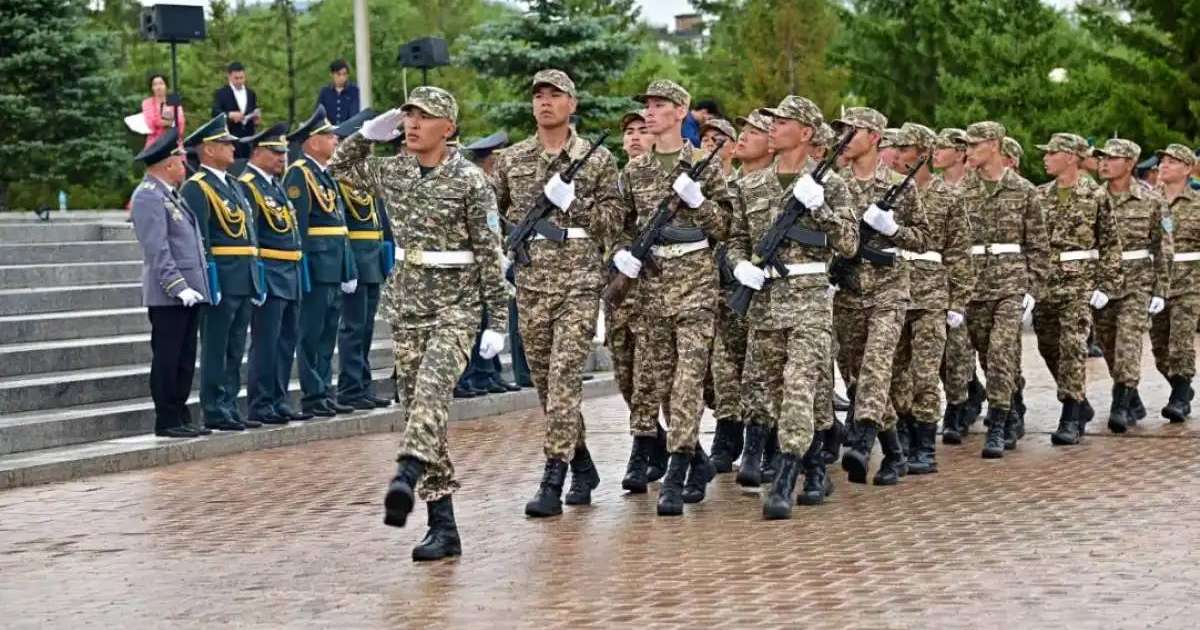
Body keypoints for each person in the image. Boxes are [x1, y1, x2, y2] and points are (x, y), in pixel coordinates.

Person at [334, 87, 509, 561]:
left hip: (457, 306)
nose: (412, 124)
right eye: (408, 115)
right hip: (409, 307)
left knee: (432, 393)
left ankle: (405, 475)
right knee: (420, 413)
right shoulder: (395, 170)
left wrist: (497, 319)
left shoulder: (471, 182)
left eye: (424, 117)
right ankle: (443, 526)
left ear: (448, 129)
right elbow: (338, 171)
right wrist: (364, 136)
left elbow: (492, 256)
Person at [491, 69, 623, 518]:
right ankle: (583, 464)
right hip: (532, 283)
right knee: (546, 385)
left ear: (572, 103)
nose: (545, 102)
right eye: (538, 96)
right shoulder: (511, 160)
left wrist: (574, 204)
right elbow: (491, 216)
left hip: (580, 281)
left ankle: (553, 475)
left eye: (555, 95)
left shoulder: (598, 159)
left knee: (565, 377)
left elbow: (613, 221)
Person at [726, 96, 858, 518]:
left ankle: (784, 480)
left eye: (783, 121)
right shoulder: (749, 186)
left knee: (800, 387)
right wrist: (739, 265)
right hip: (764, 304)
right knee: (786, 395)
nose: (772, 126)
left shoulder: (830, 184)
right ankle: (817, 462)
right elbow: (734, 241)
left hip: (810, 302)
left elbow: (849, 244)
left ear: (805, 132)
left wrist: (819, 209)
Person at [614, 79, 735, 516]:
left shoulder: (703, 164)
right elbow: (622, 224)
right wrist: (622, 254)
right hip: (653, 286)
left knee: (688, 381)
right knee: (661, 382)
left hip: (696, 282)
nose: (650, 111)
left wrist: (698, 201)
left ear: (681, 110)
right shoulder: (634, 171)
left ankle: (678, 469)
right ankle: (694, 460)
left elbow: (724, 226)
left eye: (660, 104)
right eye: (647, 104)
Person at [830, 107, 928, 485]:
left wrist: (893, 228)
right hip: (849, 290)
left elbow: (921, 239)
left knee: (876, 366)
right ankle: (896, 452)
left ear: (873, 137)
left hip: (889, 288)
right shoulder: (834, 184)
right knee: (857, 376)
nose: (843, 139)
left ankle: (861, 439)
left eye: (851, 132)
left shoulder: (899, 185)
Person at [959, 121, 1050, 458]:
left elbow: (1038, 245)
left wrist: (1033, 289)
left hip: (1011, 284)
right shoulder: (960, 191)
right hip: (974, 286)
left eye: (974, 144)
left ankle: (996, 425)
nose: (968, 151)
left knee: (1001, 353)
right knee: (987, 354)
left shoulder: (1024, 190)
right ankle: (1010, 409)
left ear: (994, 145)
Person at [886, 123, 972, 474]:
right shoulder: (890, 192)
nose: (896, 154)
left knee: (925, 374)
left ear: (921, 153)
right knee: (895, 372)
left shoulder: (947, 197)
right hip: (893, 291)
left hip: (932, 295)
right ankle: (903, 434)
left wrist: (958, 301)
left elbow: (959, 252)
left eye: (904, 149)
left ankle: (925, 446)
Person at [1031, 133, 1121, 445]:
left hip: (1080, 282)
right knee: (1047, 344)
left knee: (1072, 346)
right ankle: (1080, 403)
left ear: (1070, 156)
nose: (1045, 158)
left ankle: (1070, 415)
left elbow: (1110, 245)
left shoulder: (1095, 196)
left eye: (1052, 152)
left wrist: (1106, 284)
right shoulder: (1040, 196)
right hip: (1046, 282)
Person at [179, 114, 264, 432]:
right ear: (209, 149)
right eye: (226, 143)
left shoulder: (234, 186)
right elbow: (200, 241)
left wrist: (256, 275)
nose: (233, 148)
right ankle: (214, 407)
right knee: (216, 345)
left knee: (235, 345)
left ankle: (229, 403)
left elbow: (250, 235)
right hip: (222, 277)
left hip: (242, 276)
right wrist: (208, 280)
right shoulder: (197, 188)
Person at [130, 127, 211, 438]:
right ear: (167, 164)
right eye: (180, 159)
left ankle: (181, 414)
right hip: (169, 295)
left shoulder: (168, 194)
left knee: (184, 357)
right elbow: (157, 249)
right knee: (168, 358)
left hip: (189, 293)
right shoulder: (148, 196)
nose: (185, 164)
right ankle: (167, 419)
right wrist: (179, 287)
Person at [706, 110, 773, 473]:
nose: (743, 137)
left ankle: (760, 441)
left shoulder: (779, 186)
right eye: (742, 130)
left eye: (754, 131)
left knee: (759, 369)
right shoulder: (727, 185)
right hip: (724, 287)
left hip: (766, 291)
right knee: (725, 368)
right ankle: (729, 431)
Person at [606, 109, 669, 484]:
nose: (633, 137)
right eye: (628, 131)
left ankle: (642, 447)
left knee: (648, 377)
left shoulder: (661, 179)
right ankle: (657, 440)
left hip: (652, 292)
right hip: (617, 293)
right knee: (626, 378)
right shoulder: (615, 182)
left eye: (642, 130)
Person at [1093, 138, 1173, 432]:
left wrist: (1161, 289)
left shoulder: (1152, 200)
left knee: (1128, 341)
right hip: (1101, 284)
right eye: (1101, 158)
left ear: (1129, 163)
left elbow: (1164, 247)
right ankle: (1133, 398)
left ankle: (1120, 404)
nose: (1103, 163)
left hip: (1137, 281)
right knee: (1109, 344)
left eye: (1111, 158)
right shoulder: (1092, 198)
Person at [285, 105, 359, 417]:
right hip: (316, 266)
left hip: (333, 265)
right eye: (328, 136)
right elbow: (299, 227)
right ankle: (313, 394)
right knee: (311, 333)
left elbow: (340, 226)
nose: (334, 141)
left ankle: (323, 391)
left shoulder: (325, 175)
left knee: (328, 334)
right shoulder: (299, 174)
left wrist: (347, 266)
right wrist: (301, 266)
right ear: (313, 142)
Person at [239, 122, 313, 425]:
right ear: (257, 152)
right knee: (266, 342)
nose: (283, 157)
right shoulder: (248, 185)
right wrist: (256, 278)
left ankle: (278, 398)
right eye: (275, 152)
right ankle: (260, 402)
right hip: (269, 272)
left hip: (290, 271)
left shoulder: (273, 185)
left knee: (285, 342)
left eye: (284, 152)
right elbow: (251, 235)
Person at [332, 109, 395, 410]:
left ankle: (362, 384)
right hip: (355, 260)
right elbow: (342, 226)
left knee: (366, 328)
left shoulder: (365, 180)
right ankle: (350, 387)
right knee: (353, 327)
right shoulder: (341, 180)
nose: (369, 149)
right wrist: (347, 265)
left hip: (371, 260)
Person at [1150, 144, 1199, 422]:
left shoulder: (1197, 203)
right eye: (1163, 161)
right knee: (1159, 348)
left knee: (1181, 341)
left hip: (1189, 283)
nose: (1164, 165)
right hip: (1156, 284)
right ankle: (1181, 388)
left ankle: (1179, 399)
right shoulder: (1148, 200)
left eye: (1172, 161)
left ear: (1188, 168)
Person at [212, 62, 260, 159]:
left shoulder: (251, 94)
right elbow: (215, 113)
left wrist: (256, 119)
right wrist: (229, 115)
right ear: (229, 77)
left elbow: (253, 110)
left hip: (249, 138)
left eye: (242, 78)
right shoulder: (221, 93)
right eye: (236, 78)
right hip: (230, 138)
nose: (239, 81)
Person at [142, 73, 185, 149]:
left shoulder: (173, 99)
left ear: (166, 86)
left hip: (173, 141)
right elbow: (151, 123)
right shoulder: (148, 103)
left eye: (161, 84)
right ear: (152, 88)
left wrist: (167, 123)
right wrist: (171, 122)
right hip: (155, 143)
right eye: (155, 85)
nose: (158, 87)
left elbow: (180, 123)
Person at [317, 59, 361, 125]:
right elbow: (319, 113)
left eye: (344, 74)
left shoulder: (354, 91)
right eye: (338, 74)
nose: (342, 77)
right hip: (328, 130)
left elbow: (354, 113)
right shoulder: (325, 92)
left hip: (348, 130)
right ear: (331, 74)